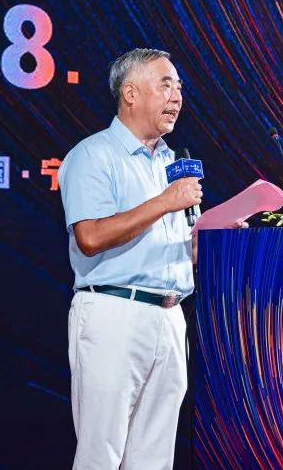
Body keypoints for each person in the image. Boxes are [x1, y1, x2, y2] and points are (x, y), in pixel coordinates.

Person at [58, 47, 233, 469]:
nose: (177, 97)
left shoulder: (173, 162)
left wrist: (212, 241)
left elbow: (175, 245)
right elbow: (90, 236)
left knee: (153, 458)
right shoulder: (93, 155)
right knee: (101, 454)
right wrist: (165, 201)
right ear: (131, 93)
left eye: (180, 88)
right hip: (113, 312)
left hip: (170, 317)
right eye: (165, 85)